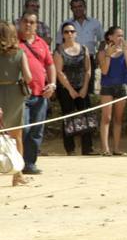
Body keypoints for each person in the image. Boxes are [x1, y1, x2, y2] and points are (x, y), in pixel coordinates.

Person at [18, 13, 55, 175]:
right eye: (25, 21)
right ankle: (17, 163)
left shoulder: (42, 44)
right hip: (20, 94)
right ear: (20, 23)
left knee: (36, 131)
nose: (28, 25)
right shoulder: (13, 42)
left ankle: (29, 164)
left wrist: (52, 84)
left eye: (31, 22)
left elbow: (50, 65)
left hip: (40, 94)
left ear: (36, 25)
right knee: (22, 130)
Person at [54, 22, 96, 156]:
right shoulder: (59, 51)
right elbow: (59, 72)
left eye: (72, 31)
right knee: (68, 117)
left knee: (86, 117)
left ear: (76, 33)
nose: (69, 34)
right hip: (66, 89)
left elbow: (88, 69)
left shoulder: (83, 49)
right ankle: (70, 149)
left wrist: (84, 88)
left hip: (82, 86)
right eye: (66, 32)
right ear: (63, 35)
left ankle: (87, 148)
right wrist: (70, 90)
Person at [0, 21, 33, 186]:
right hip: (14, 94)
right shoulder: (20, 53)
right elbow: (28, 78)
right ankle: (18, 174)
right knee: (16, 136)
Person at [98, 26, 127, 156]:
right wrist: (108, 55)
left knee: (118, 118)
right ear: (110, 37)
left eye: (122, 35)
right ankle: (105, 148)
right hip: (107, 86)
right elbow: (104, 71)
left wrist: (125, 52)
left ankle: (116, 148)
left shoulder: (125, 51)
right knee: (106, 117)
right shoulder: (103, 52)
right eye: (118, 35)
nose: (121, 38)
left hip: (122, 86)